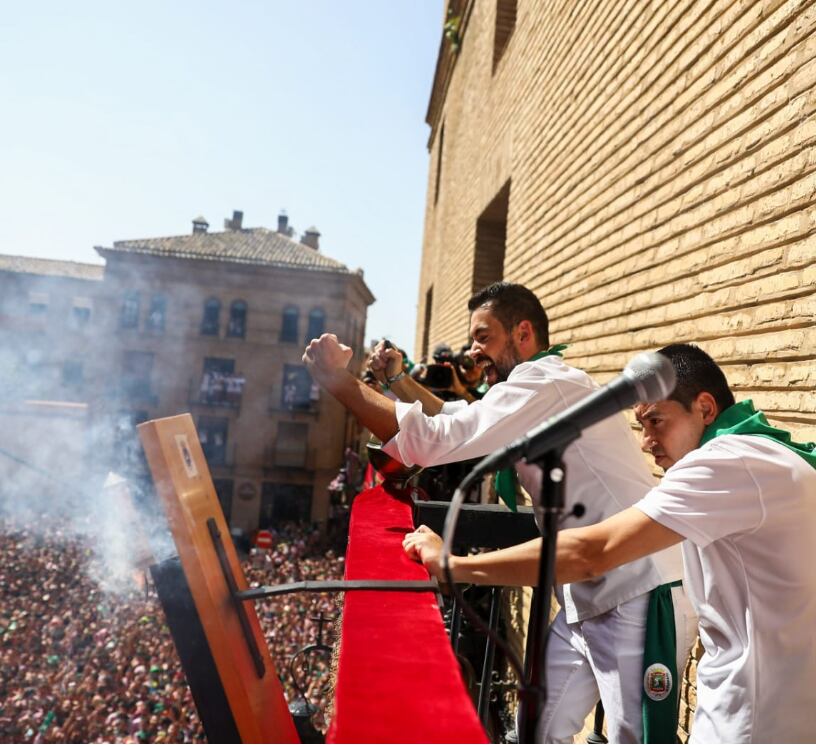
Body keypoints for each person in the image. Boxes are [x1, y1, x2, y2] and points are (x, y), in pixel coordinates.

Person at [303, 281, 696, 743]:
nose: (474, 352)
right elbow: (460, 419)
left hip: (641, 594)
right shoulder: (532, 387)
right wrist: (397, 382)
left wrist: (337, 381)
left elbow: (434, 440)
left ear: (523, 332)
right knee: (533, 732)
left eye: (484, 337)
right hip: (587, 596)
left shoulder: (546, 382)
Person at [404, 343, 816, 744]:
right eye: (640, 425)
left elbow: (590, 553)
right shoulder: (765, 452)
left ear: (705, 408)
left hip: (750, 719)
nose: (645, 441)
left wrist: (456, 566)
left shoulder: (726, 463)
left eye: (656, 422)